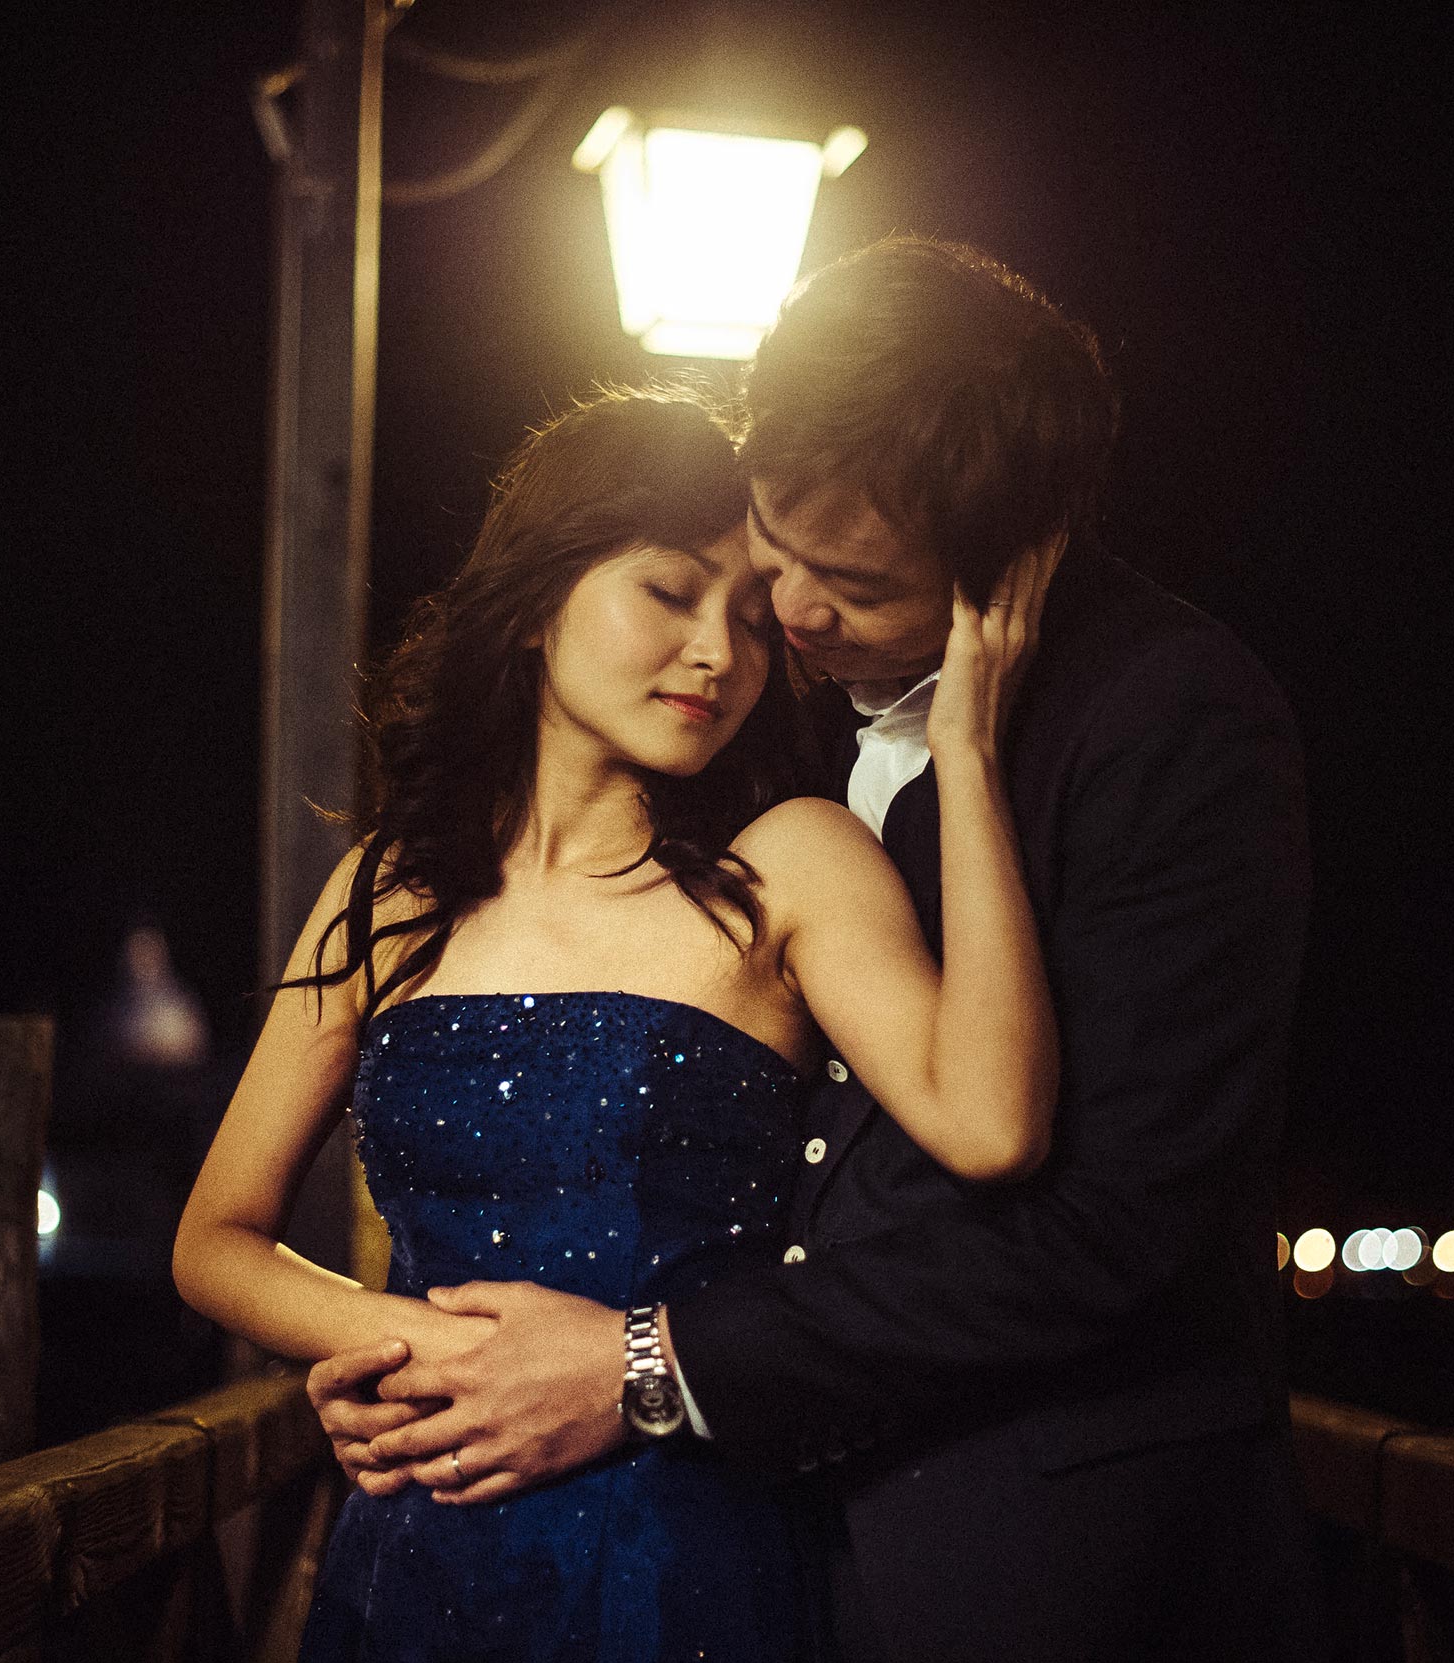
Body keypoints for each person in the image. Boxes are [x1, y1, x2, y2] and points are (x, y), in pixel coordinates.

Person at [313, 238, 1326, 1662]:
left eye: (846, 580)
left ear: (1002, 561)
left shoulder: (1171, 723)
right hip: (742, 1540)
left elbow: (1107, 1233)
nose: (785, 612)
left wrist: (647, 1364)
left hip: (1038, 1563)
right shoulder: (775, 720)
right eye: (772, 544)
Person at [172, 384, 1065, 1661]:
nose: (722, 652)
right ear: (538, 600)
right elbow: (215, 1237)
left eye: (754, 621)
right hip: (423, 1534)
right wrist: (415, 1345)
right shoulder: (387, 886)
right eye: (670, 592)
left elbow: (992, 1126)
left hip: (682, 1551)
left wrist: (965, 752)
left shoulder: (788, 866)